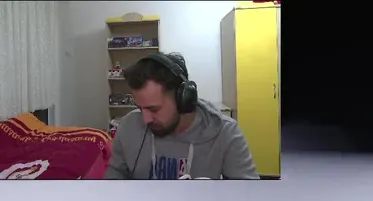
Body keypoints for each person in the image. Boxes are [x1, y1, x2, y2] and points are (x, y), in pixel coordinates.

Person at [105, 52, 259, 180]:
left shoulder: (226, 133)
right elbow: (114, 179)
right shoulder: (128, 126)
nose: (146, 119)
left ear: (183, 98)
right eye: (140, 108)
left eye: (154, 109)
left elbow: (249, 198)